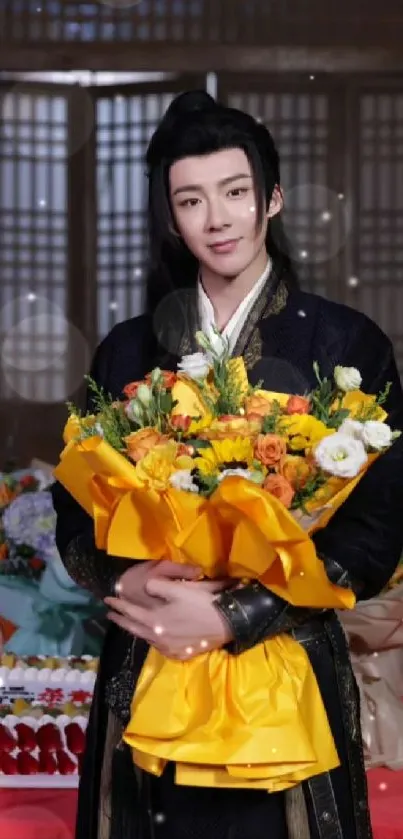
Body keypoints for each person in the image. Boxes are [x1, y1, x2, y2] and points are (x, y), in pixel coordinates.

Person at [51, 91, 403, 839]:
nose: (216, 218)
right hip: (149, 662)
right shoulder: (126, 350)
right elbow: (74, 515)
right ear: (170, 218)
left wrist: (234, 612)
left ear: (271, 198)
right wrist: (129, 578)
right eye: (190, 200)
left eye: (235, 192)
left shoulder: (345, 347)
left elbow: (375, 534)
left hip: (289, 664)